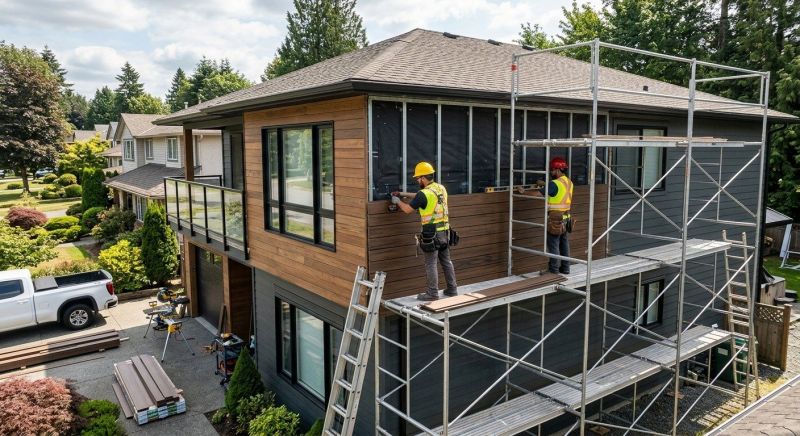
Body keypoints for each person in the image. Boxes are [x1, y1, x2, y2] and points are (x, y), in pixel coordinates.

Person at [391, 162, 458, 301]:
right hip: (445, 231)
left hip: (431, 234)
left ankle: (432, 293)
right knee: (446, 261)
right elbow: (421, 195)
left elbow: (407, 209)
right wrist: (403, 193)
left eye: (418, 178)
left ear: (423, 178)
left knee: (430, 263)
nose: (417, 180)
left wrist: (397, 200)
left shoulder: (424, 194)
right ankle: (452, 289)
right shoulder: (440, 188)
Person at [533, 157, 573, 274]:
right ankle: (565, 268)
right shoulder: (568, 182)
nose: (551, 172)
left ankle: (553, 270)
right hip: (566, 217)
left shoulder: (554, 183)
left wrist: (523, 191)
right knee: (564, 243)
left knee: (553, 244)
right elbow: (557, 189)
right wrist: (545, 184)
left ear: (557, 170)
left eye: (552, 170)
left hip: (555, 218)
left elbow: (537, 193)